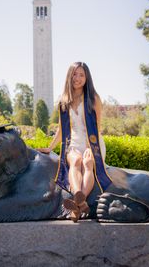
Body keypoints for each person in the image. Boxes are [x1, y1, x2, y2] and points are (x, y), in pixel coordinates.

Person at [38, 61, 112, 221]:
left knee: (87, 164)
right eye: (74, 74)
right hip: (73, 143)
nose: (77, 78)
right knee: (76, 161)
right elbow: (61, 130)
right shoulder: (64, 101)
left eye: (81, 75)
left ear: (87, 78)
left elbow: (97, 127)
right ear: (69, 76)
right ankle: (81, 203)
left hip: (93, 142)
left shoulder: (93, 98)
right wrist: (50, 147)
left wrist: (91, 148)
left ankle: (77, 203)